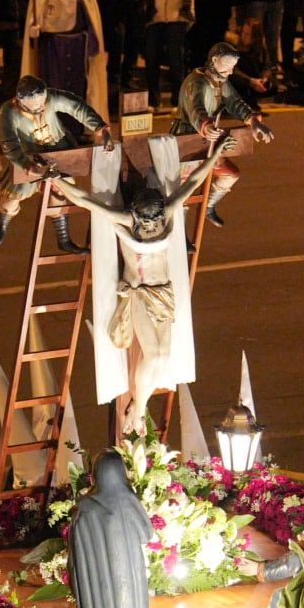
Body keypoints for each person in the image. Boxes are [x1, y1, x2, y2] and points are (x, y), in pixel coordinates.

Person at [51, 136, 233, 433]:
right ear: (135, 215)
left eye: (155, 222)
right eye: (146, 223)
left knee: (164, 355)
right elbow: (85, 200)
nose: (151, 228)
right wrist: (57, 179)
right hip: (139, 294)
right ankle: (139, 409)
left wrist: (214, 156)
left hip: (163, 292)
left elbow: (195, 180)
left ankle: (138, 405)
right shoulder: (123, 219)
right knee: (156, 354)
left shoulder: (168, 210)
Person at [0, 74, 109, 248]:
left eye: (42, 102)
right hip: (28, 156)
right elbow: (9, 145)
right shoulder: (8, 112)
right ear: (21, 101)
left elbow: (77, 107)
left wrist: (100, 127)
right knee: (14, 193)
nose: (40, 107)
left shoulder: (51, 98)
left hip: (58, 149)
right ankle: (3, 220)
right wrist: (30, 168)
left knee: (61, 191)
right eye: (34, 106)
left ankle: (64, 238)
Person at [170, 43, 275, 227]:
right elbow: (196, 109)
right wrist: (206, 126)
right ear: (214, 60)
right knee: (185, 189)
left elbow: (235, 102)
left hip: (208, 140)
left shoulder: (221, 82)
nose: (230, 72)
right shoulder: (196, 82)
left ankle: (208, 205)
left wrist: (254, 122)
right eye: (226, 67)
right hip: (187, 140)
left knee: (230, 174)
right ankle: (180, 231)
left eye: (232, 68)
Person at [70, 450, 155, 608]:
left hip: (101, 579)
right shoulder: (129, 501)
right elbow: (147, 533)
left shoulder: (87, 507)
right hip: (131, 572)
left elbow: (78, 551)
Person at [22, 0, 107, 114]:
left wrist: (93, 48)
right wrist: (33, 32)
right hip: (49, 50)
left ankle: (74, 128)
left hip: (75, 49)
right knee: (50, 89)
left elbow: (91, 21)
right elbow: (34, 17)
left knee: (73, 90)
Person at [143, 0, 199, 109]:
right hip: (156, 16)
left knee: (176, 60)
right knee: (152, 59)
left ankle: (177, 101)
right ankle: (154, 101)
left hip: (178, 16)